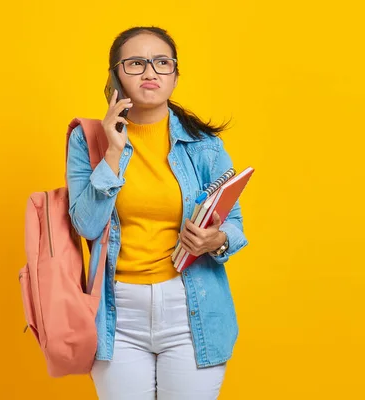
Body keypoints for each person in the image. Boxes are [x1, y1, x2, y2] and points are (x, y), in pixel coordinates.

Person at [66, 26, 248, 400]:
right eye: (136, 63)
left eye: (162, 63)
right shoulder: (87, 140)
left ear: (175, 75)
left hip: (191, 309)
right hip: (117, 315)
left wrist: (216, 239)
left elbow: (235, 226)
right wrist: (113, 154)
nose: (151, 72)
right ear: (116, 75)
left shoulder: (206, 147)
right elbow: (85, 224)